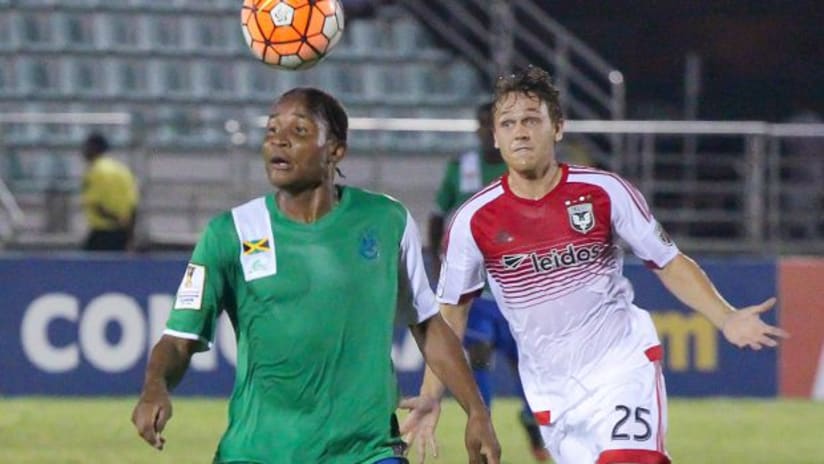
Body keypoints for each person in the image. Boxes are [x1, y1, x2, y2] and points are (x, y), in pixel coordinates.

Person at [400, 66, 788, 464]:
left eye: (532, 120)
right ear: (496, 137)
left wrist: (726, 318)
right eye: (508, 123)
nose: (520, 131)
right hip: (552, 393)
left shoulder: (605, 192)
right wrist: (431, 394)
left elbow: (668, 261)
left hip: (620, 368)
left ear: (558, 128)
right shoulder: (472, 219)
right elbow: (451, 312)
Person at [131, 87, 501, 464]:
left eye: (300, 131)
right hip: (257, 452)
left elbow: (428, 326)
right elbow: (179, 339)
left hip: (366, 451)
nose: (279, 139)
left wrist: (477, 412)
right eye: (272, 130)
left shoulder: (386, 219)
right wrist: (154, 387)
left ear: (335, 150)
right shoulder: (230, 233)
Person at [429, 101, 549, 461]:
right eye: (483, 124)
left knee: (526, 366)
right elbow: (437, 216)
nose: (486, 131)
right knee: (477, 357)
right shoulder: (461, 168)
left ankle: (533, 421)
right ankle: (481, 429)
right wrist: (437, 264)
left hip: (519, 295)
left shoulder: (529, 168)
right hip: (476, 295)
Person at [80, 132, 139, 251]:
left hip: (102, 232)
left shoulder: (95, 171)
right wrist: (129, 233)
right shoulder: (123, 170)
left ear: (94, 148)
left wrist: (115, 219)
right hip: (122, 233)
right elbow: (133, 204)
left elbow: (96, 205)